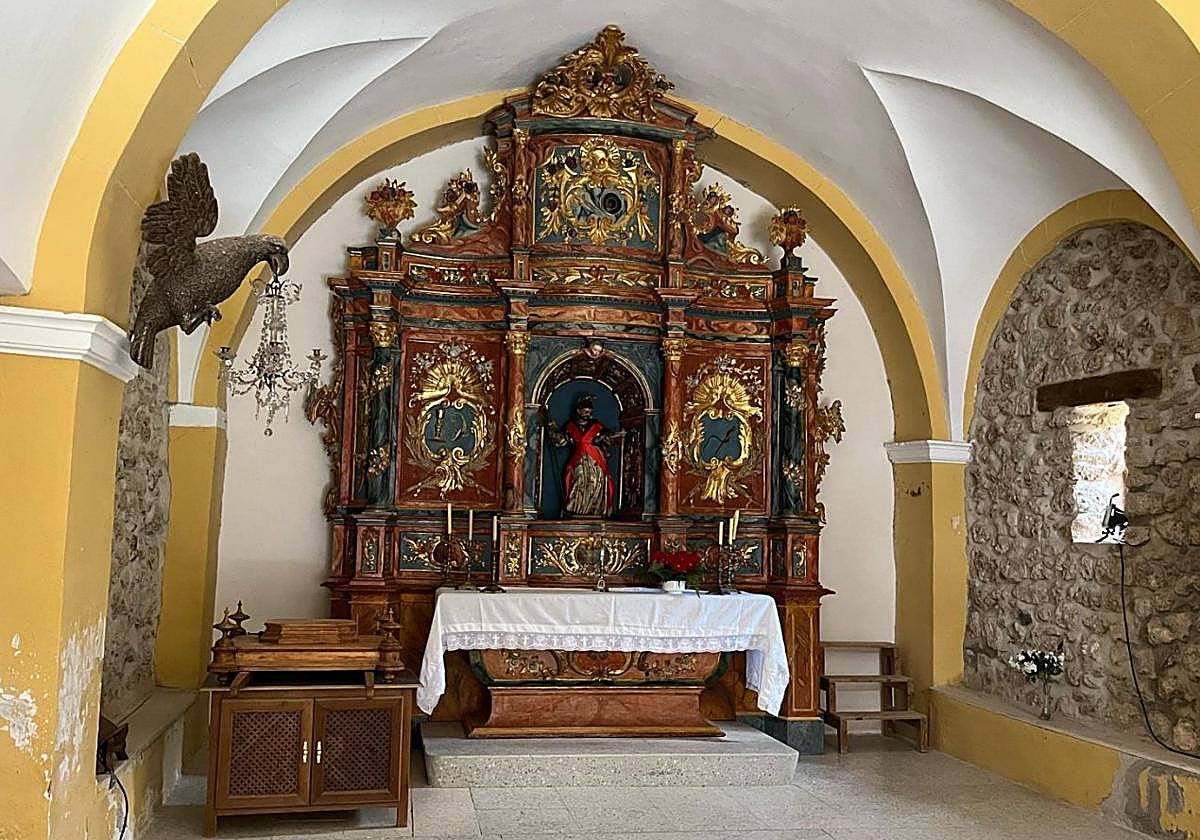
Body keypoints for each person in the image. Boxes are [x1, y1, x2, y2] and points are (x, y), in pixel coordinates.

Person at [544, 393, 624, 517]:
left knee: (597, 482)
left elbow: (607, 438)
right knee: (578, 479)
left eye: (589, 412)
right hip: (579, 460)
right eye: (585, 411)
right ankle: (576, 509)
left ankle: (595, 510)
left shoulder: (596, 426)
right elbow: (561, 440)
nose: (587, 414)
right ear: (578, 411)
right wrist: (552, 430)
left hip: (596, 461)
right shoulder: (571, 426)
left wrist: (615, 436)